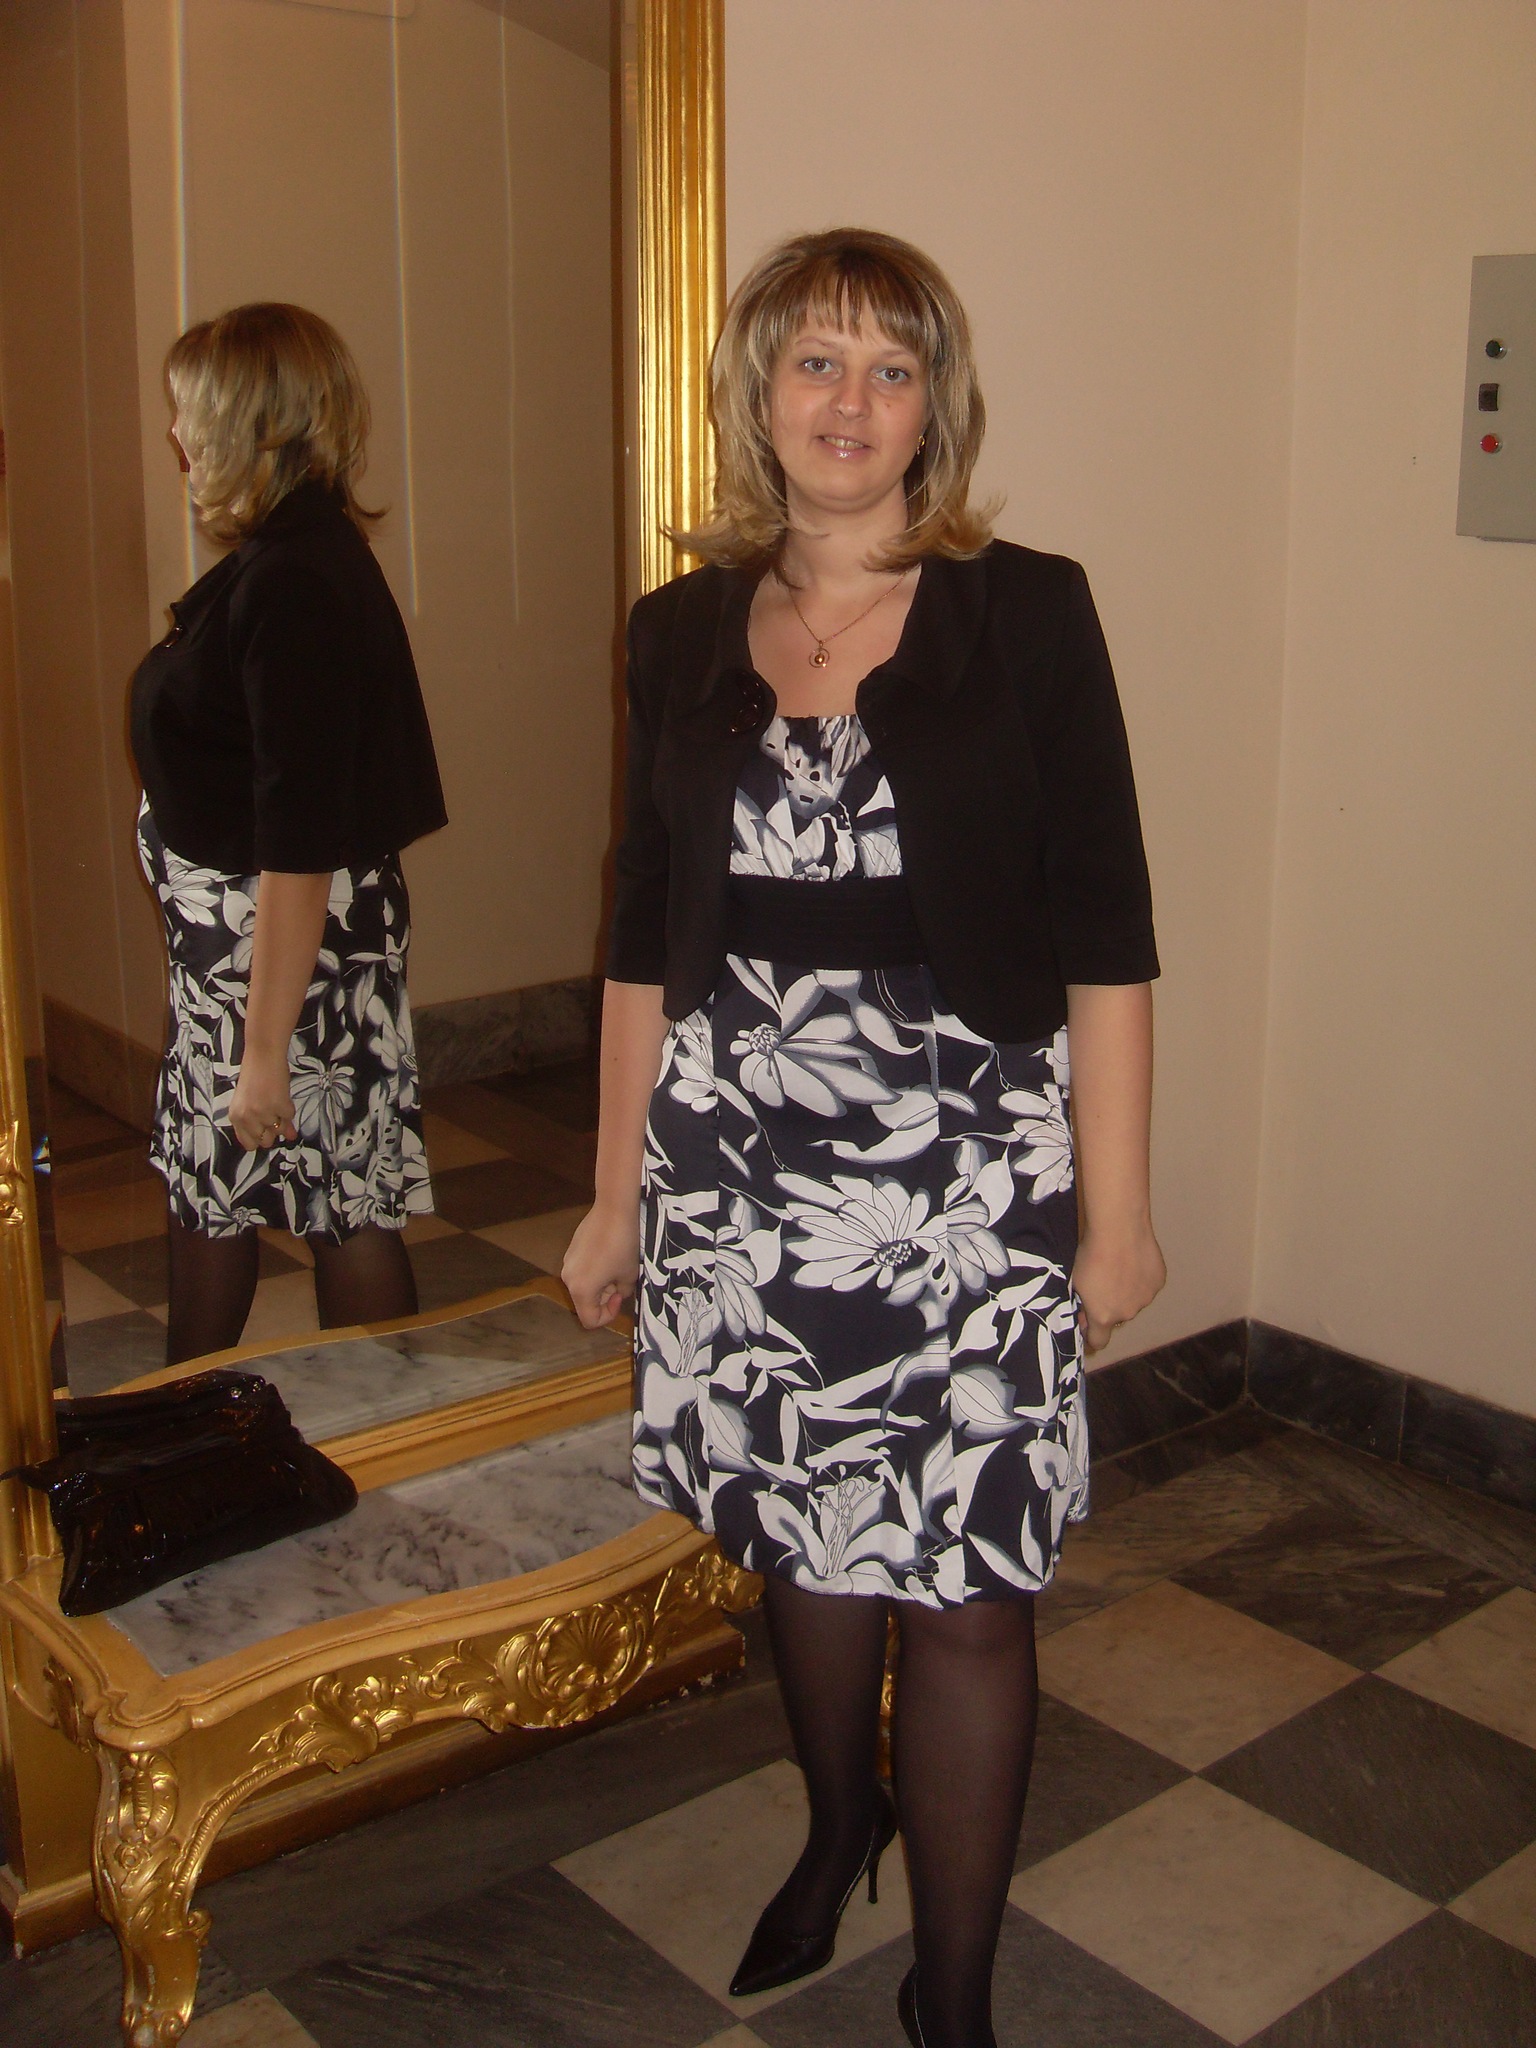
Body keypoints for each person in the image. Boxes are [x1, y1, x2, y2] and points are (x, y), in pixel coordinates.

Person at [563, 228, 1165, 2048]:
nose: (851, 400)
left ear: (934, 409)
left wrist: (1117, 1213)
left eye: (891, 368)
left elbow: (1106, 930)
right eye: (816, 361)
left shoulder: (1027, 610)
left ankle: (951, 1996)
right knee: (803, 1541)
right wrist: (612, 1193)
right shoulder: (677, 631)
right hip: (738, 1159)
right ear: (757, 391)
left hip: (964, 1170)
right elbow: (639, 930)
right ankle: (842, 1826)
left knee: (970, 1587)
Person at [130, 302, 447, 1366]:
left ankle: (343, 1421)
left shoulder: (295, 579)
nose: (177, 435)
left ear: (247, 425)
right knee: (301, 1193)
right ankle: (210, 1413)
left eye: (188, 413)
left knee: (317, 1200)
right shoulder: (291, 556)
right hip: (260, 963)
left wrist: (263, 1055)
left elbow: (301, 841)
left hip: (280, 965)